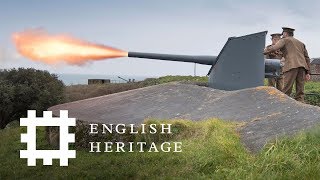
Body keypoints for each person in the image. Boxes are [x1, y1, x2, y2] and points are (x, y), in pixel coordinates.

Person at [264, 27, 311, 102]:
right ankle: (300, 105)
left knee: (286, 89)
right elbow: (307, 58)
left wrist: (261, 52)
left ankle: (284, 105)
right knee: (300, 91)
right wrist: (308, 72)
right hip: (302, 67)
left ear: (285, 33)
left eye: (283, 34)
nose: (282, 36)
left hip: (291, 66)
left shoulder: (285, 40)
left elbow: (274, 48)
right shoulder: (301, 43)